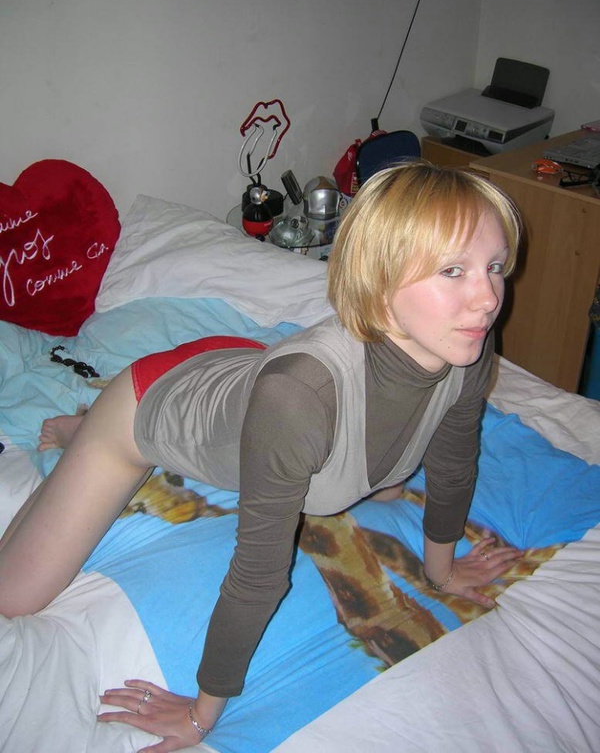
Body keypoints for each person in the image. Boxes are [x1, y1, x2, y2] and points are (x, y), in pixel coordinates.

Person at [0, 162, 523, 753]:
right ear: (378, 282)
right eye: (453, 271)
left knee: (371, 474)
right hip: (150, 403)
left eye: (495, 266)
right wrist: (202, 715)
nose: (488, 299)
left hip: (247, 364)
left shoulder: (466, 346)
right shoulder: (300, 399)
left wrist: (441, 570)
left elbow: (454, 461)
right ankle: (88, 427)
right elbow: (259, 572)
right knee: (13, 597)